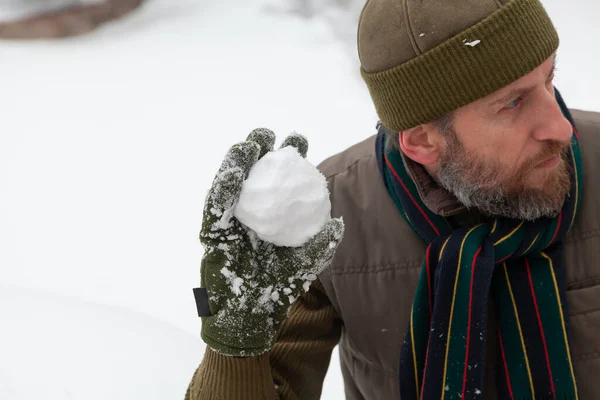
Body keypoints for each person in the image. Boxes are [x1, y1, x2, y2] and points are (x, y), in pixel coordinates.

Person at [185, 0, 600, 398]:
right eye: (512, 102)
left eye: (549, 78)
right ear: (422, 141)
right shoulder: (325, 226)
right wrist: (235, 342)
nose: (560, 128)